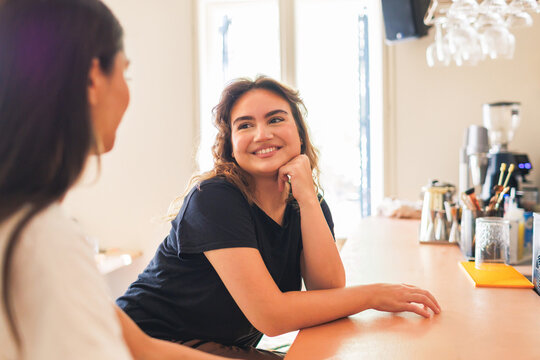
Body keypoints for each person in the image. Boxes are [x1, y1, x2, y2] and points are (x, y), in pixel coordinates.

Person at [117, 76, 442, 360]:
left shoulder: (305, 202)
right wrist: (374, 295)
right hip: (140, 345)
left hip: (208, 346)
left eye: (275, 120)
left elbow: (327, 288)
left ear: (299, 133)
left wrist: (307, 198)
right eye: (245, 125)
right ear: (231, 144)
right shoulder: (214, 198)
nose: (261, 134)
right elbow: (270, 317)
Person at [0, 0, 230, 359]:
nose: (126, 93)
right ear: (93, 79)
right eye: (126, 73)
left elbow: (142, 348)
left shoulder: (30, 225)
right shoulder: (41, 238)